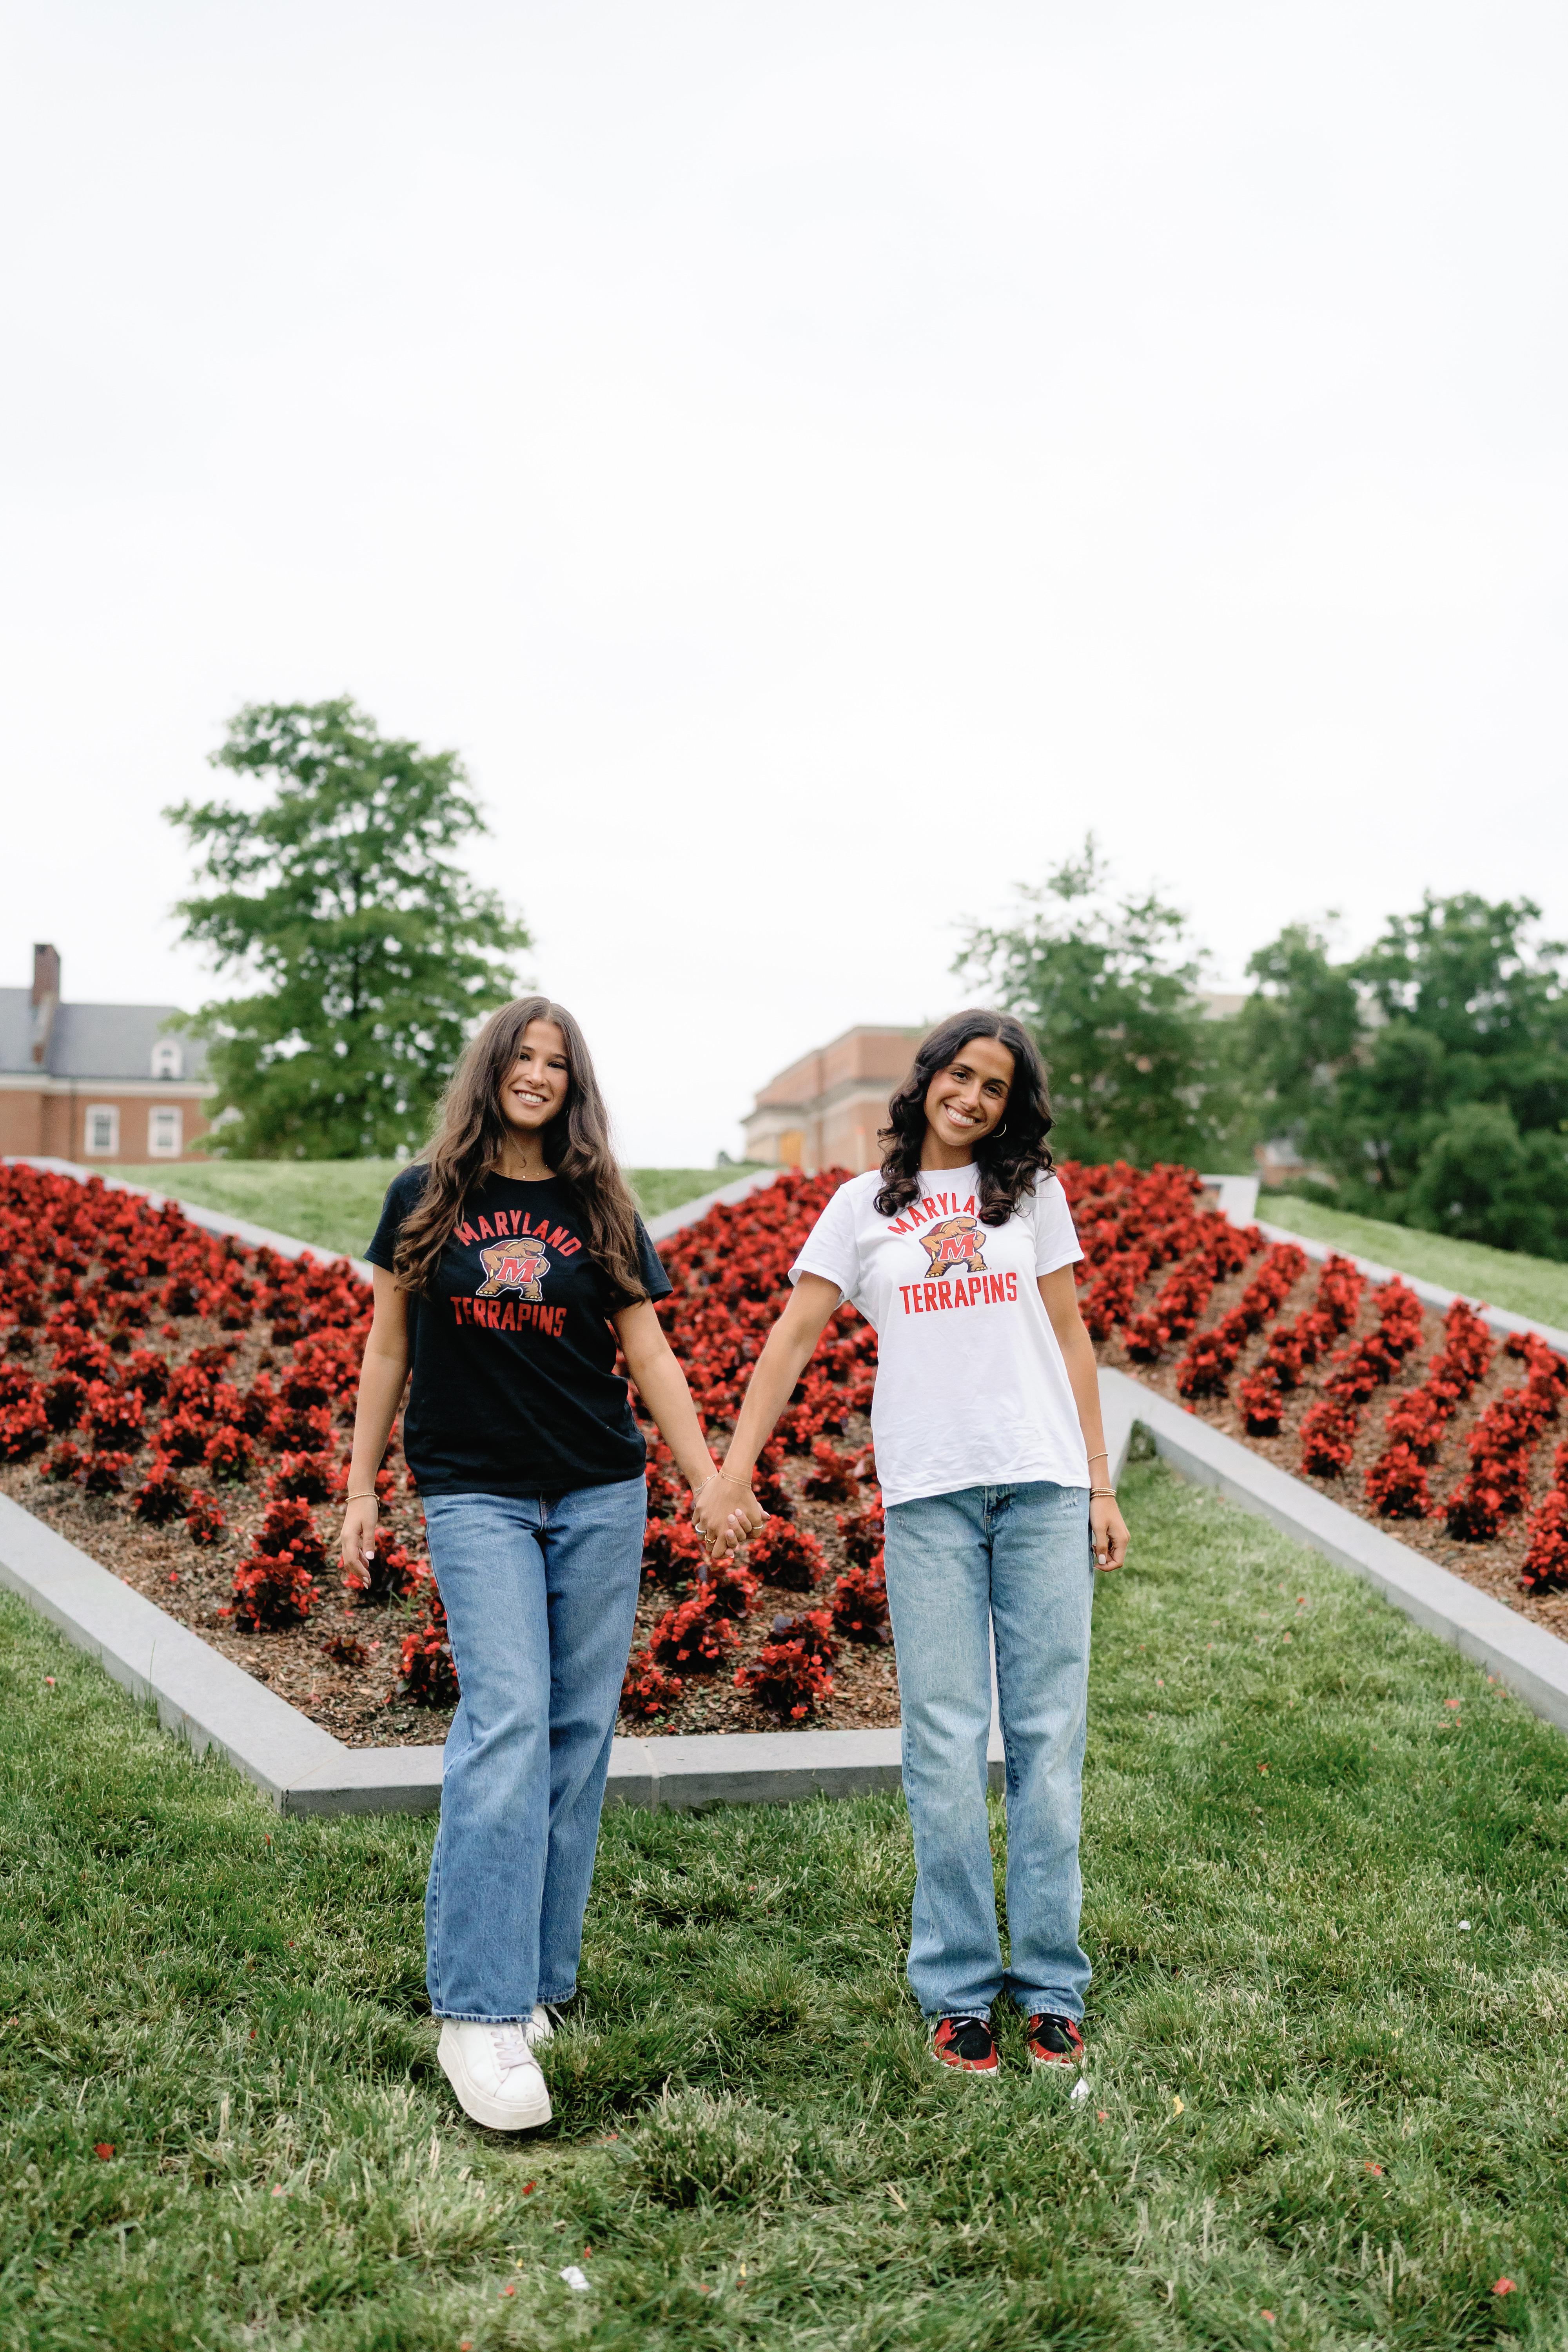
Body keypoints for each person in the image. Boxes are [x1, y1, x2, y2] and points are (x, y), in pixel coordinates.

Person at [341, 996, 757, 2131]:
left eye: (557, 1063)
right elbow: (387, 1344)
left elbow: (648, 1349)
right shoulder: (423, 1201)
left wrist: (706, 1473)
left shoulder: (599, 1205)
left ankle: (538, 1983)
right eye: (521, 1057)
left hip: (598, 1488)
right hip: (473, 1489)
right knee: (511, 1718)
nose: (537, 1075)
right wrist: (360, 1485)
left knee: (577, 1734)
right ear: (490, 1071)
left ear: (575, 1086)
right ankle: (475, 2006)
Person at [695, 1010, 1129, 2078]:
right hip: (929, 1501)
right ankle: (957, 1989)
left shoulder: (1031, 1196)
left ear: (1011, 1108)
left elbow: (1071, 1336)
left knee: (1046, 1744)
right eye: (961, 1076)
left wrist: (1102, 1481)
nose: (974, 1099)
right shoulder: (858, 1208)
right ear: (926, 1078)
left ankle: (1053, 1987)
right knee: (941, 1744)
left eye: (997, 1088)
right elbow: (794, 1334)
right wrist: (736, 1466)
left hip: (1041, 1490)